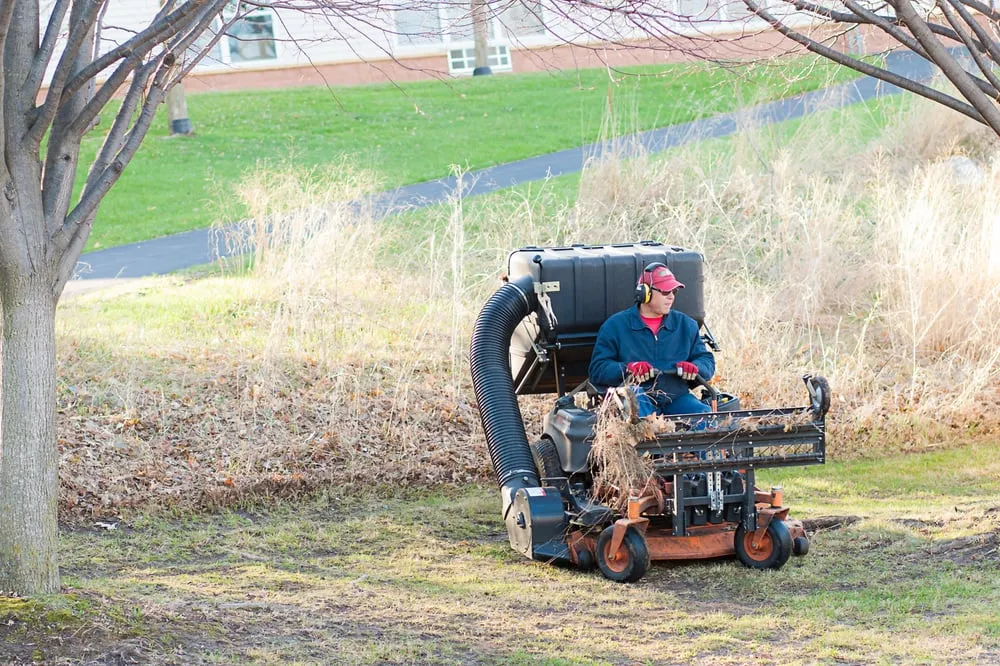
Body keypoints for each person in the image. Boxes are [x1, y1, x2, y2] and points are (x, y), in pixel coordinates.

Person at [589, 263, 715, 416]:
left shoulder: (686, 325)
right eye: (665, 291)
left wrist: (695, 367)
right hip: (636, 398)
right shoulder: (615, 326)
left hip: (676, 398)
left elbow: (706, 361)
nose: (671, 296)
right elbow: (597, 369)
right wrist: (628, 368)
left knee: (706, 418)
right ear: (644, 293)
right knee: (639, 414)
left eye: (674, 291)